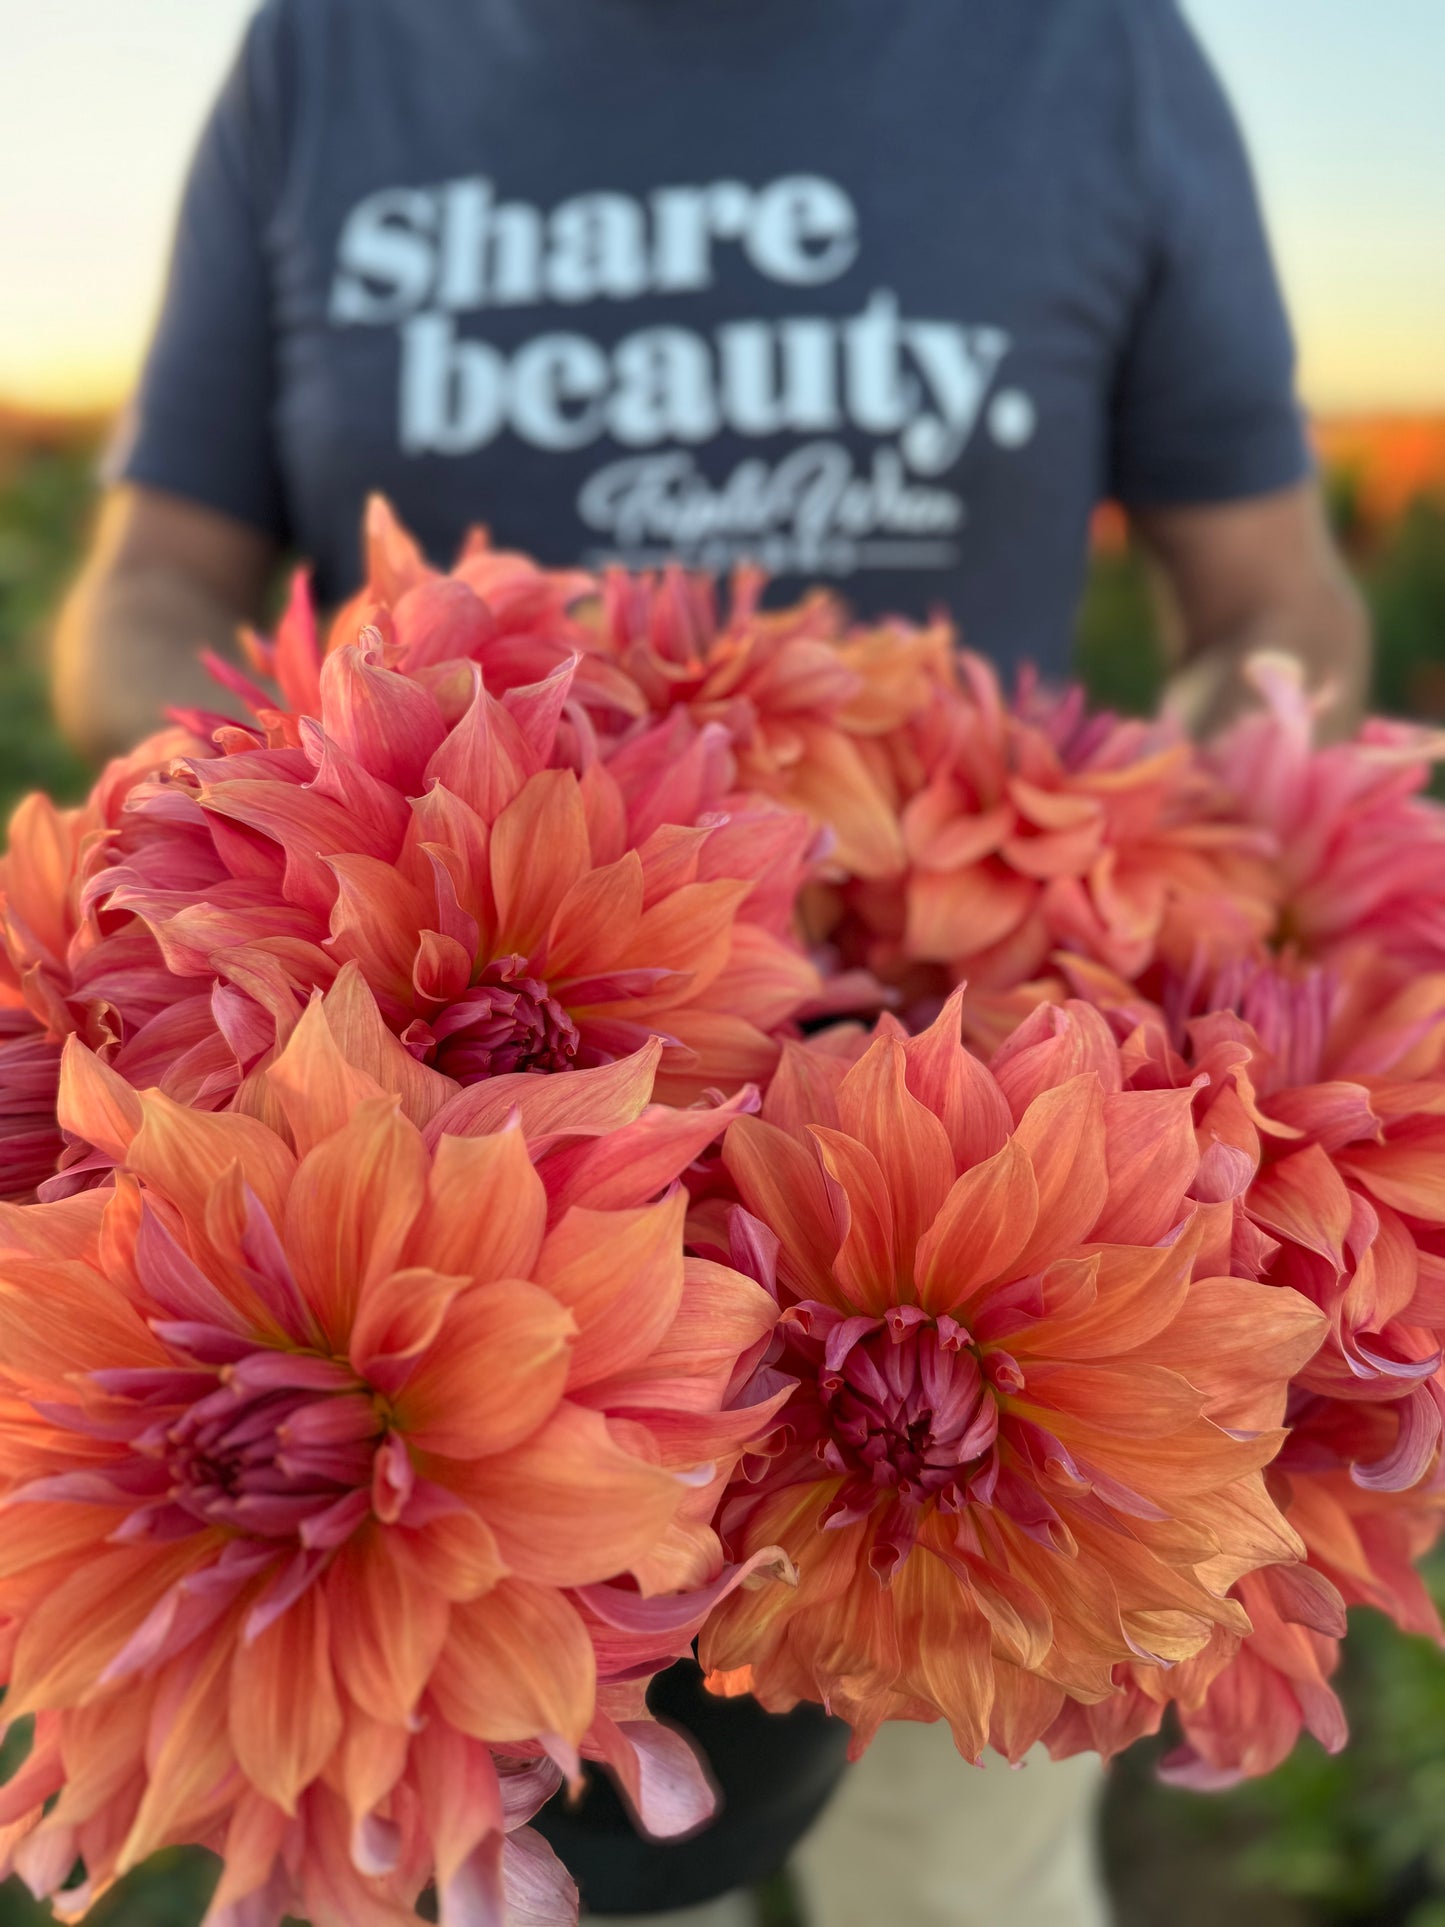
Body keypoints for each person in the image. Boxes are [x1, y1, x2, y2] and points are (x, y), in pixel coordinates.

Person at [52, 2, 1369, 1922]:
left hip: (1006, 1169)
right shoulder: (331, 51)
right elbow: (149, 581)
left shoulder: (1088, 49)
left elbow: (1269, 592)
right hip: (402, 1156)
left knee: (961, 1889)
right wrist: (263, 819)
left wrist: (1199, 848)